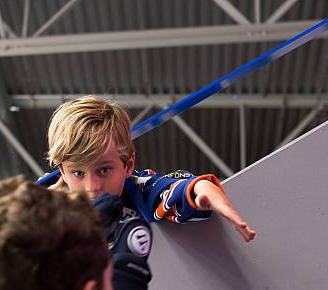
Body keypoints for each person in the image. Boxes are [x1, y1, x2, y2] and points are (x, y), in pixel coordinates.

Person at [47, 95, 257, 242]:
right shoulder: (49, 212)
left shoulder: (139, 188)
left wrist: (205, 193)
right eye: (78, 173)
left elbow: (180, 188)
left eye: (103, 170)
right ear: (62, 172)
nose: (91, 186)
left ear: (128, 165)